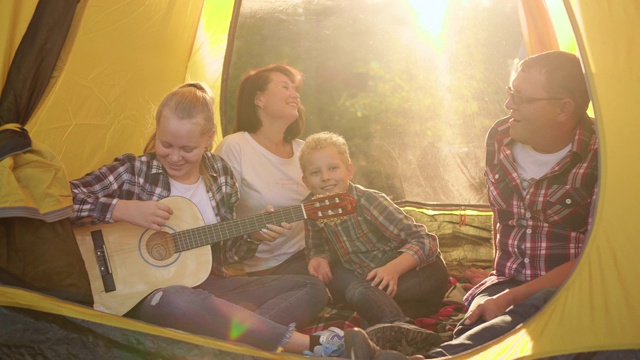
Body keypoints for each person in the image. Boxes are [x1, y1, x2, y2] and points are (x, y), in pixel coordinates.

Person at [344, 50, 599, 359]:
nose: (508, 105)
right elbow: (502, 216)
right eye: (510, 92)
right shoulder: (501, 136)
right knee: (478, 330)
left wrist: (511, 297)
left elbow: (595, 256)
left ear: (564, 108)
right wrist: (497, 276)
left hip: (571, 289)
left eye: (521, 98)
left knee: (537, 326)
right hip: (506, 282)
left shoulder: (604, 154)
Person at [70, 82, 345, 356]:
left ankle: (230, 339)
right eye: (165, 144)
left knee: (310, 287)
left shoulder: (219, 175)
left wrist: (254, 235)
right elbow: (60, 200)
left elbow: (226, 255)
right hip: (151, 296)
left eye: (187, 149)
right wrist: (122, 209)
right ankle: (305, 345)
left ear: (209, 138)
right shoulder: (134, 171)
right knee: (177, 300)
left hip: (209, 290)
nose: (174, 157)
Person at [298, 131, 450, 355]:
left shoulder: (368, 201)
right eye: (315, 172)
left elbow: (425, 240)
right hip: (379, 287)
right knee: (364, 309)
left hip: (419, 274)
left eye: (333, 168)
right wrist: (319, 257)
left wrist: (393, 269)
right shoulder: (311, 208)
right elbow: (316, 245)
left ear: (349, 170)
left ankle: (402, 327)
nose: (326, 177)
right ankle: (393, 339)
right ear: (306, 181)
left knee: (359, 290)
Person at [215, 64, 309, 276]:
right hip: (264, 268)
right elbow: (215, 220)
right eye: (285, 87)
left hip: (312, 257)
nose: (295, 95)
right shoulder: (236, 147)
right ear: (259, 100)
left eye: (295, 90)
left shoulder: (305, 150)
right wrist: (253, 231)